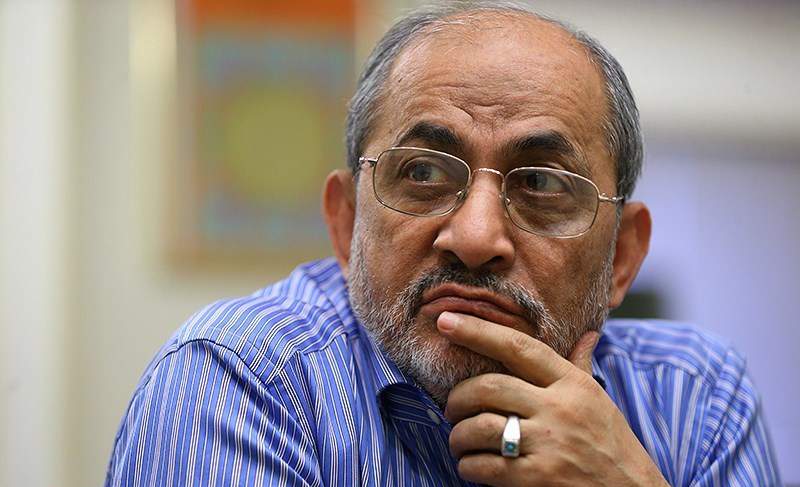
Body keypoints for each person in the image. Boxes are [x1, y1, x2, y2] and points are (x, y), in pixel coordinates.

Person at [105, 2, 782, 486]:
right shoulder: (242, 381)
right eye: (424, 174)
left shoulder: (697, 398)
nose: (476, 238)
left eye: (542, 183)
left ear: (623, 258)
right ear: (345, 223)